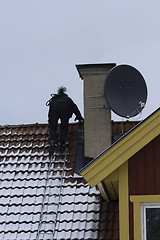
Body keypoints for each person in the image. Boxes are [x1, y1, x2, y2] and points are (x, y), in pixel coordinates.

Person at [46, 86, 84, 153]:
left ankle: (52, 140)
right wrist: (79, 117)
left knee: (53, 126)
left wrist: (50, 121)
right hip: (65, 109)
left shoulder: (54, 100)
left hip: (55, 109)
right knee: (64, 126)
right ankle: (61, 142)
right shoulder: (68, 99)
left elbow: (50, 112)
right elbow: (75, 108)